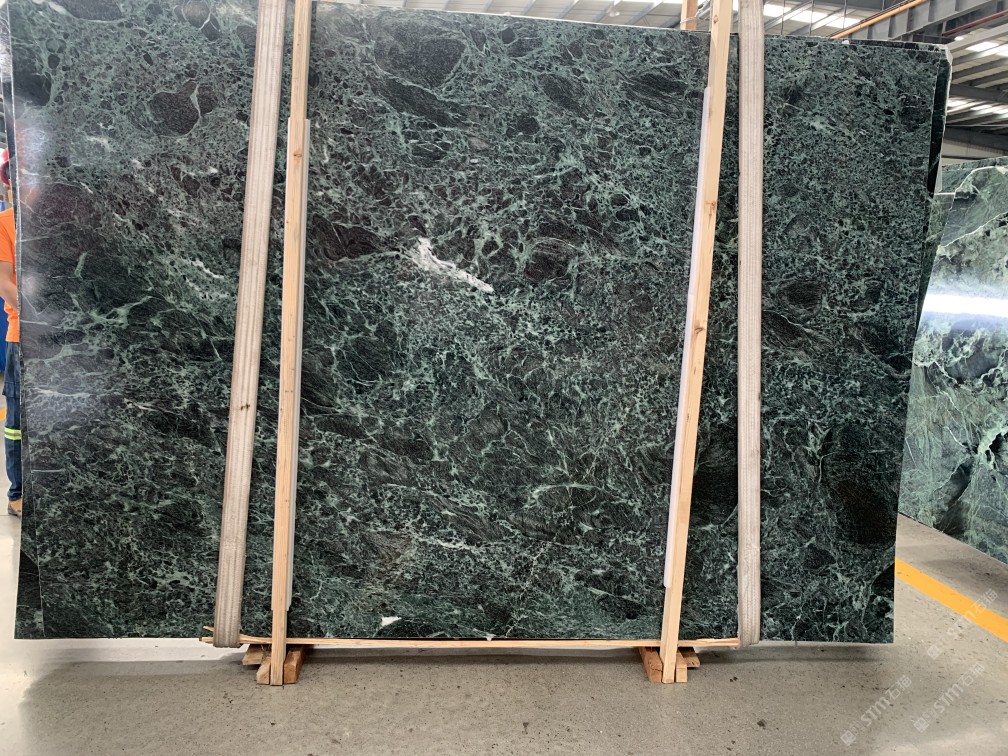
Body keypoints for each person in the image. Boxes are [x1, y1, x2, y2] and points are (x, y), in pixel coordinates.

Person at [0, 150, 20, 518]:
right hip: (23, 335)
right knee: (17, 420)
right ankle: (18, 494)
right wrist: (40, 317)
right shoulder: (5, 222)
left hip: (64, 336)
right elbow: (4, 281)